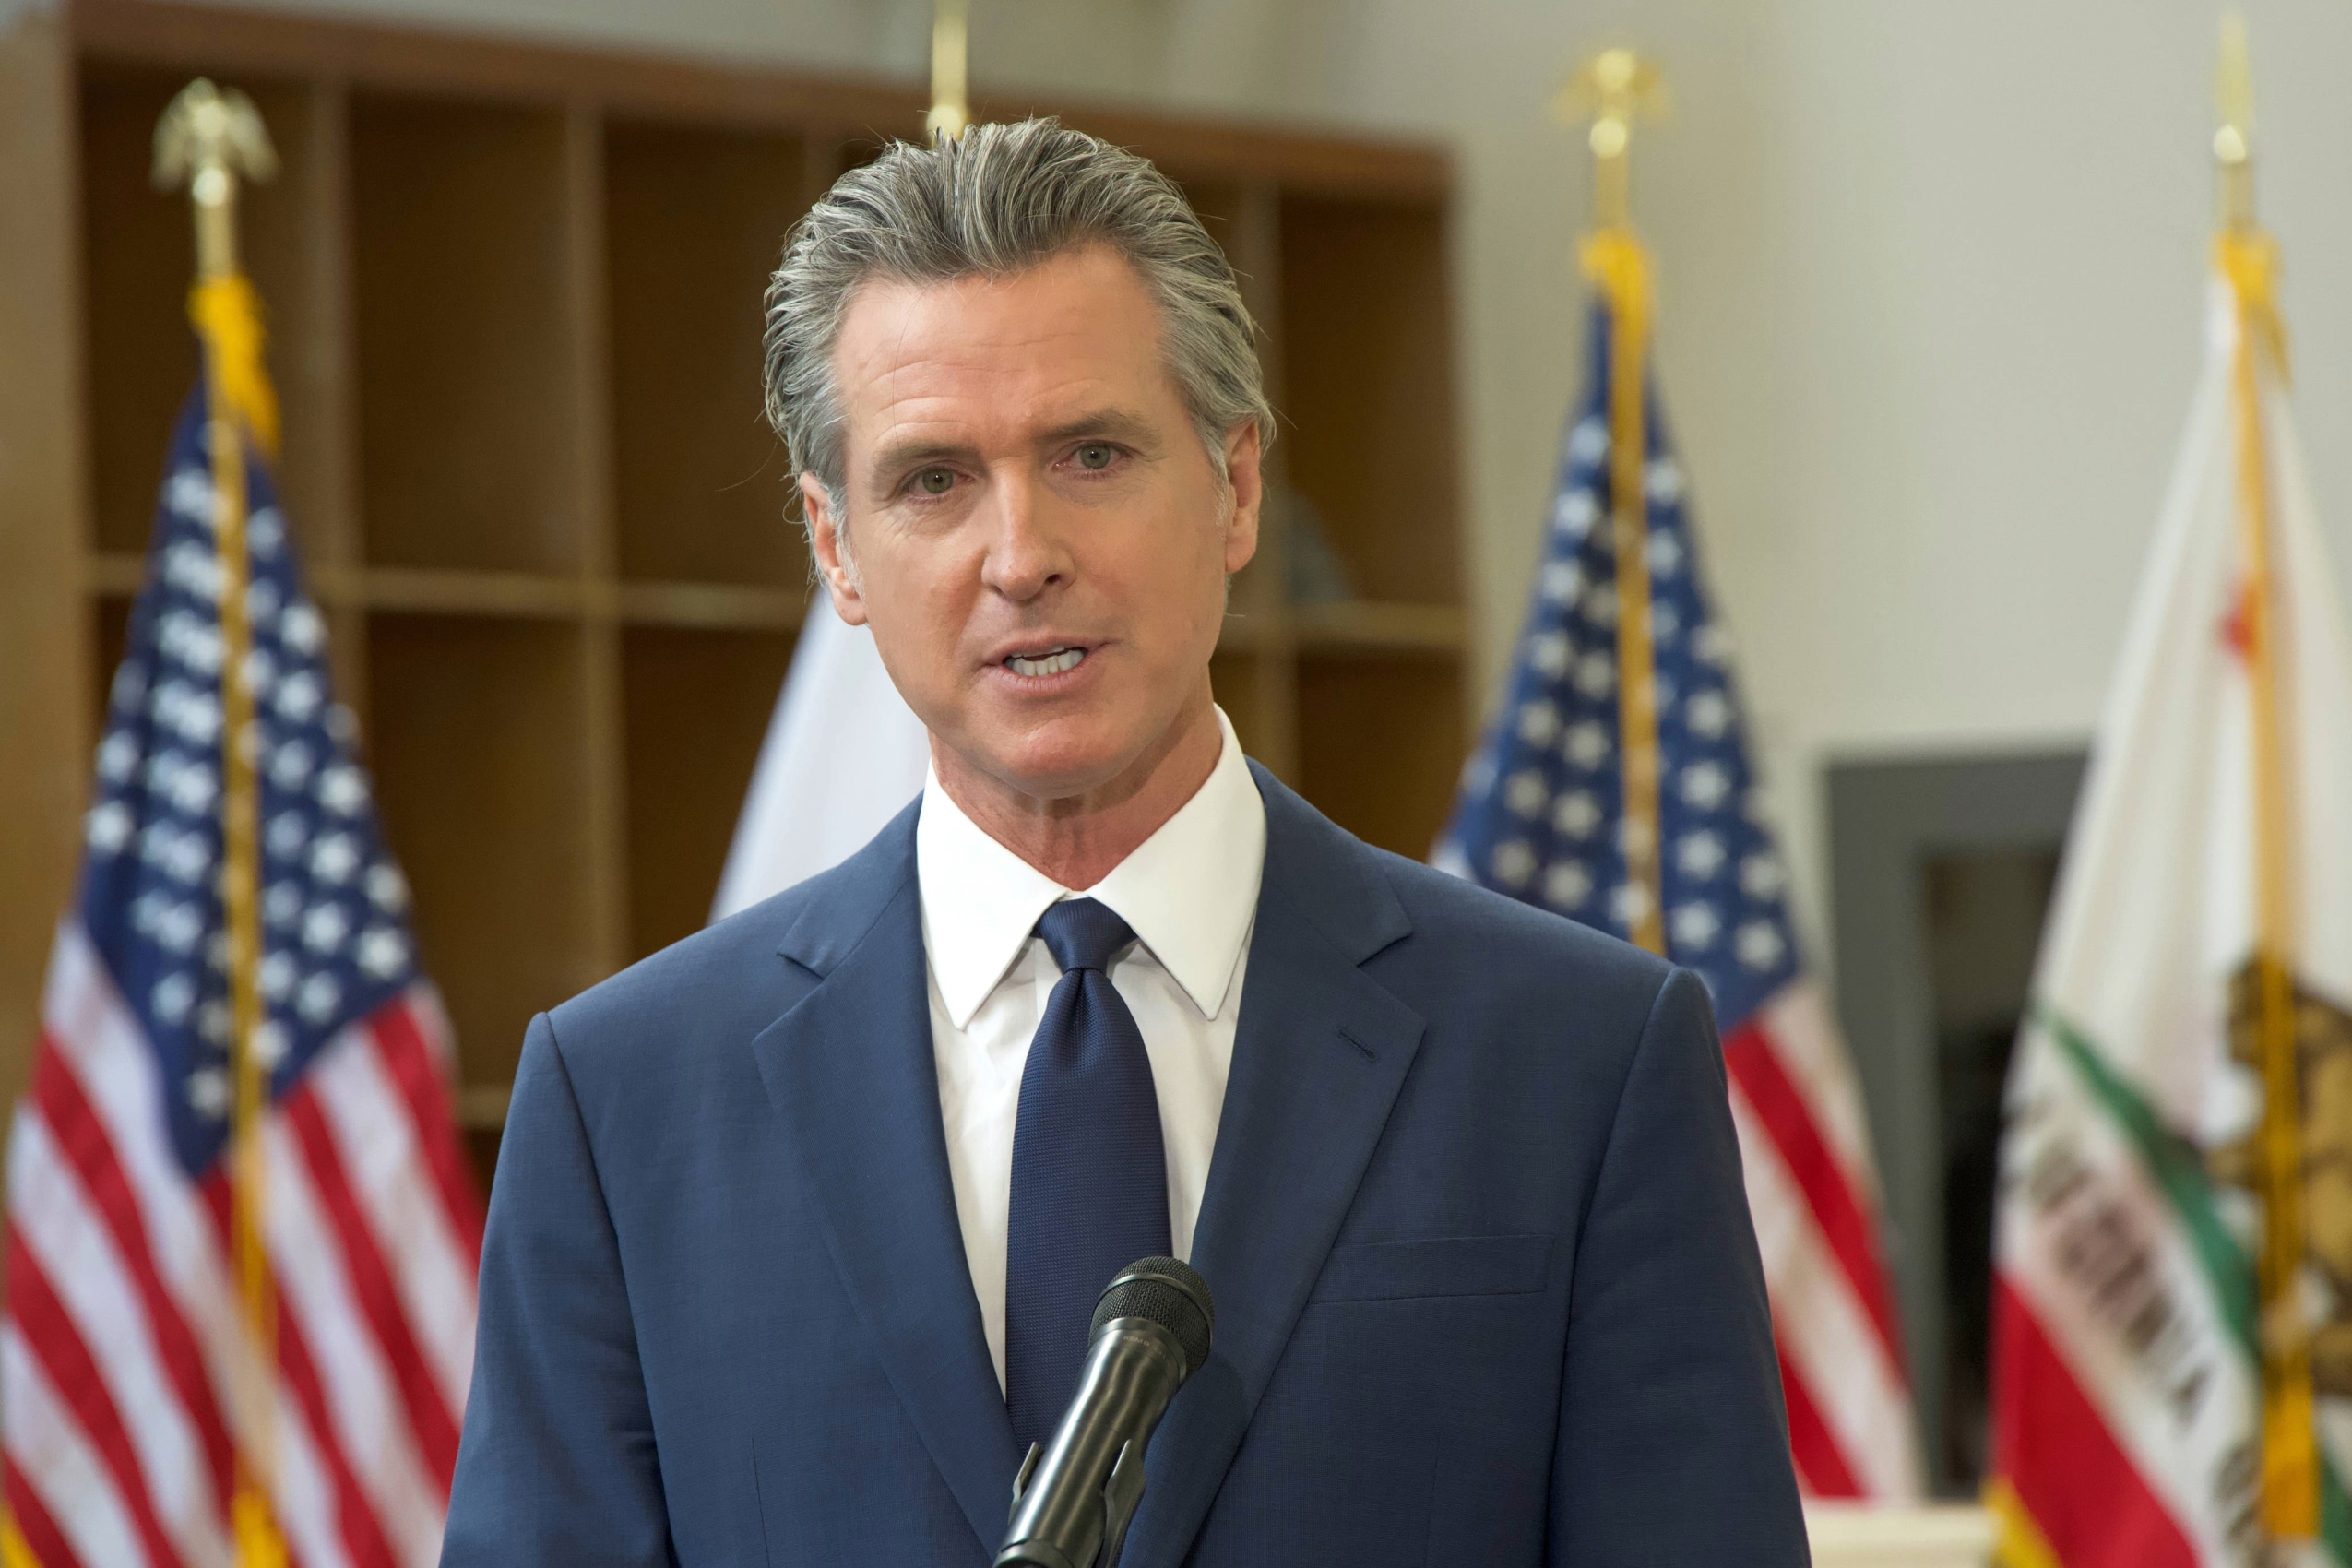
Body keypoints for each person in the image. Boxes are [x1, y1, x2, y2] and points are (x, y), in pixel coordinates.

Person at [442, 118, 1807, 1567]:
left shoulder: (1578, 1057)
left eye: (1090, 455)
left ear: (1235, 488)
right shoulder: (628, 1100)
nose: (1021, 556)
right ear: (834, 548)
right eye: (931, 481)